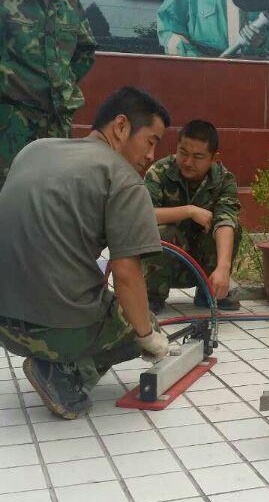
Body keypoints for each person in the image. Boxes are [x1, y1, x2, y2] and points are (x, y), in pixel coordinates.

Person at [0, 87, 171, 420]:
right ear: (121, 126)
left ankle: (57, 357)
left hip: (3, 322)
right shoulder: (123, 178)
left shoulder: (35, 150)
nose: (152, 155)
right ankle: (65, 375)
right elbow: (126, 274)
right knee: (141, 321)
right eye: (151, 141)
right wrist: (149, 338)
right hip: (51, 330)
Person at [0, 0, 96, 188]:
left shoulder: (71, 5)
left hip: (56, 121)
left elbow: (86, 50)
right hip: (11, 120)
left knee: (52, 192)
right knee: (8, 191)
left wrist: (63, 81)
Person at [144, 120, 242, 312]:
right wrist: (189, 211)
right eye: (183, 153)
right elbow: (143, 215)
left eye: (197, 157)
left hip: (200, 260)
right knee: (161, 232)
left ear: (214, 158)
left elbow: (226, 220)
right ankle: (152, 295)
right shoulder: (159, 172)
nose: (188, 162)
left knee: (231, 229)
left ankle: (210, 291)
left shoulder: (224, 180)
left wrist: (223, 268)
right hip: (165, 263)